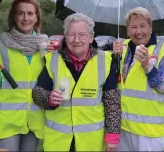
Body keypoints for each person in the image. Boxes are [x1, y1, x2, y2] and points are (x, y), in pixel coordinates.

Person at [32, 13, 121, 151]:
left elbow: (112, 102)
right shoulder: (53, 60)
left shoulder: (105, 61)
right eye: (71, 34)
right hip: (58, 142)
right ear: (65, 37)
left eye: (82, 35)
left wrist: (112, 136)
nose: (76, 39)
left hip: (90, 143)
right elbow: (37, 92)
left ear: (91, 38)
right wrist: (49, 99)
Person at [0, 0, 55, 151]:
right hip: (7, 120)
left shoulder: (46, 46)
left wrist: (52, 58)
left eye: (30, 13)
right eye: (20, 13)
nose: (25, 18)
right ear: (14, 17)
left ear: (36, 18)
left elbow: (53, 79)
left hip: (34, 119)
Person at [113, 7, 164, 151]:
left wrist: (147, 65)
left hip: (149, 133)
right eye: (133, 27)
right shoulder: (122, 47)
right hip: (123, 127)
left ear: (150, 27)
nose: (138, 32)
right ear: (127, 30)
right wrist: (113, 57)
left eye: (143, 26)